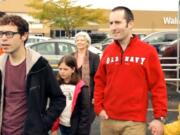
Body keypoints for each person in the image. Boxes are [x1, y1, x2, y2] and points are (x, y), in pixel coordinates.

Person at [94, 6, 168, 135]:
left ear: (130, 24)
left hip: (134, 122)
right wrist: (98, 108)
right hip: (107, 119)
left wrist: (159, 117)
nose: (113, 27)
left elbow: (158, 85)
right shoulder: (107, 51)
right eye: (111, 23)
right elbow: (100, 81)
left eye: (117, 22)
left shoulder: (148, 51)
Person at [0, 15, 66, 135]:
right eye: (1, 33)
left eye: (9, 33)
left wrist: (43, 124)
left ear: (24, 36)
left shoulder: (40, 65)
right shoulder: (0, 65)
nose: (3, 38)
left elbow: (59, 99)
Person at [51, 55, 90, 135]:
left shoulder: (81, 87)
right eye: (60, 69)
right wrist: (54, 128)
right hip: (62, 124)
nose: (62, 72)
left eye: (65, 69)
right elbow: (53, 107)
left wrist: (83, 131)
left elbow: (85, 112)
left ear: (73, 69)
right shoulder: (57, 85)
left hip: (76, 127)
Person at [73, 31, 100, 124]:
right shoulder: (71, 56)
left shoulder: (94, 57)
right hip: (73, 95)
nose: (79, 42)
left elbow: (98, 79)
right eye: (77, 40)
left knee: (86, 122)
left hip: (88, 96)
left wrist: (95, 96)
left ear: (87, 43)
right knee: (74, 122)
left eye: (82, 40)